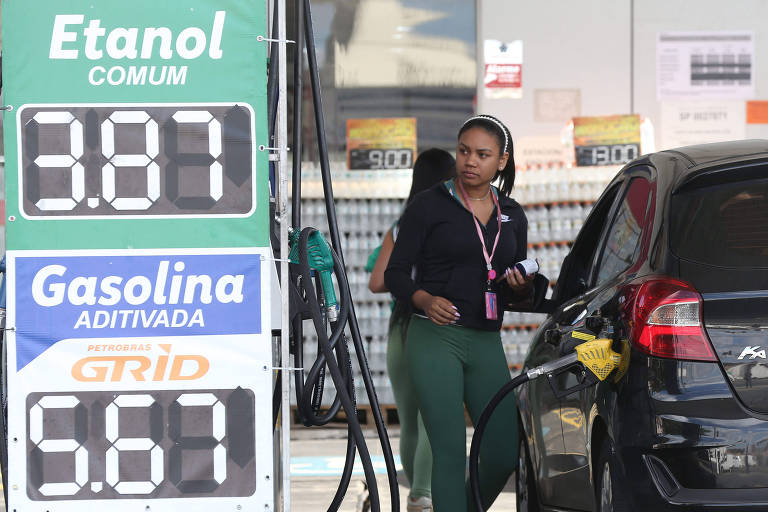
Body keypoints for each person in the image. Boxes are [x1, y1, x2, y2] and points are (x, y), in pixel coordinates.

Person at [384, 115, 534, 511]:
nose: (470, 161)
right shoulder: (429, 205)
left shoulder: (512, 214)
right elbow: (394, 273)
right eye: (464, 151)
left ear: (501, 161)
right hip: (434, 337)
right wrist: (422, 299)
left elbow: (517, 278)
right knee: (448, 451)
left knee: (503, 452)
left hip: (485, 338)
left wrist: (523, 284)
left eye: (482, 155)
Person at [368, 148, 456, 512]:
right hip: (435, 328)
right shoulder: (453, 221)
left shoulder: (401, 226)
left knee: (409, 421)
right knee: (433, 416)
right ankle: (423, 494)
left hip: (399, 330)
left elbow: (376, 281)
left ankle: (416, 495)